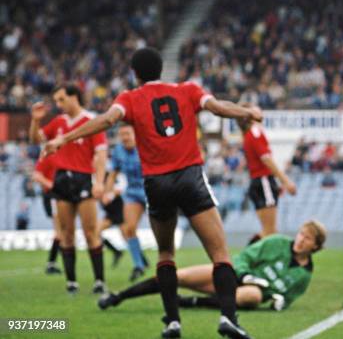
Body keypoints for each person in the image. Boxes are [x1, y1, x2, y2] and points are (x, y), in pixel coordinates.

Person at [43, 47, 259, 339]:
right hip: (190, 176)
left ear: (135, 74)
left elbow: (107, 120)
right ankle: (228, 318)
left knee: (165, 253)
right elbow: (218, 107)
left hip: (156, 183)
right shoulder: (188, 90)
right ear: (162, 70)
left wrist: (64, 138)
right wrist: (248, 111)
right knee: (220, 253)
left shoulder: (129, 98)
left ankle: (173, 322)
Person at [98, 220, 326, 312]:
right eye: (300, 234)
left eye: (307, 239)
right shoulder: (277, 242)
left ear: (315, 246)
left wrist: (279, 301)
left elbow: (287, 297)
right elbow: (243, 257)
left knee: (253, 296)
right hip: (231, 275)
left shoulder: (304, 276)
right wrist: (245, 274)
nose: (300, 239)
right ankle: (119, 297)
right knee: (178, 276)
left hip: (247, 292)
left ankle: (188, 303)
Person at [29, 85, 108, 295]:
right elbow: (36, 140)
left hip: (83, 179)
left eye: (61, 99)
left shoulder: (91, 120)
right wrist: (36, 120)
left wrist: (99, 182)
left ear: (74, 97)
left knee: (91, 232)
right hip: (62, 179)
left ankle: (99, 280)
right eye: (56, 100)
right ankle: (71, 281)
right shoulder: (59, 122)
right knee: (66, 233)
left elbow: (101, 154)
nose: (58, 104)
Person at [237, 106, 297, 245]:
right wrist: (285, 181)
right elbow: (266, 159)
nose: (259, 109)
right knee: (271, 232)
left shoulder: (247, 135)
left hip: (257, 182)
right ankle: (251, 257)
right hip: (264, 181)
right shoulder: (255, 132)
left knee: (266, 231)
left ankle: (250, 254)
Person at [103, 124, 149, 281]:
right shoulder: (118, 151)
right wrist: (108, 192)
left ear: (135, 134)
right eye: (122, 135)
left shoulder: (146, 146)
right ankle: (139, 265)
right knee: (129, 229)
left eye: (128, 134)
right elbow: (112, 173)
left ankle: (166, 264)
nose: (125, 137)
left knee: (162, 228)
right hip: (132, 194)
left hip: (152, 191)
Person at [32, 153, 62, 275]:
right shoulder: (48, 155)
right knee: (60, 231)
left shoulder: (62, 155)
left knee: (63, 232)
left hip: (60, 196)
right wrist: (52, 186)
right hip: (53, 196)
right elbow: (36, 175)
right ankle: (51, 263)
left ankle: (52, 263)